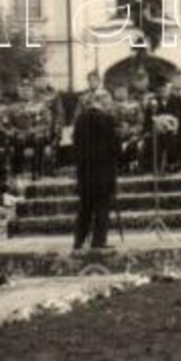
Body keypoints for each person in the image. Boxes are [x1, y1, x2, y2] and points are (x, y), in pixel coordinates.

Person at [72, 89, 120, 250]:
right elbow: (115, 147)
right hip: (103, 172)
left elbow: (75, 145)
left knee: (84, 207)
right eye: (109, 102)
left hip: (84, 171)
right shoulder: (107, 120)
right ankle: (99, 241)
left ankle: (79, 240)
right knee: (102, 206)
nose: (110, 105)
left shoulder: (80, 120)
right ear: (104, 101)